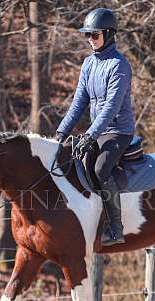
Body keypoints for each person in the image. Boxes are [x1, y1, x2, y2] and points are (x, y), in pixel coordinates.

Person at [56, 8, 135, 247]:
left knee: (101, 170)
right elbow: (79, 102)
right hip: (97, 131)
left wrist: (90, 135)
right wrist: (61, 132)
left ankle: (115, 228)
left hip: (118, 131)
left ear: (109, 34)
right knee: (73, 164)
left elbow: (111, 108)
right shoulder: (89, 63)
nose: (90, 39)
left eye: (94, 34)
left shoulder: (119, 66)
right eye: (87, 35)